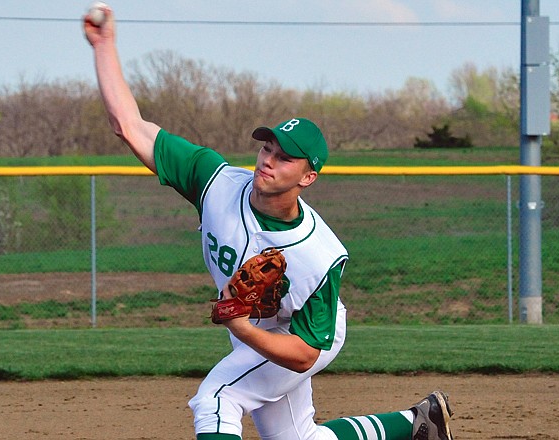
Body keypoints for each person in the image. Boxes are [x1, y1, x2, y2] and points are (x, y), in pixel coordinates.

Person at [83, 6, 454, 440]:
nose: (269, 160)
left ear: (308, 177)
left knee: (217, 398)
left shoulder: (320, 255)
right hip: (256, 331)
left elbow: (302, 354)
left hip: (303, 335)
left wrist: (239, 325)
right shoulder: (215, 182)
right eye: (267, 148)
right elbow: (130, 126)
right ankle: (417, 424)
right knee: (298, 438)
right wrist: (104, 46)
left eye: (285, 156)